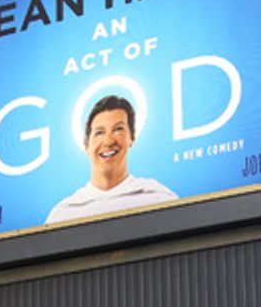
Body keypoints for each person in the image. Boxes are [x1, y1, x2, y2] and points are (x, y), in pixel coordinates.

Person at [46, 95, 176, 224]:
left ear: (132, 137)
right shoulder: (63, 215)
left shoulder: (158, 199)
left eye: (118, 129)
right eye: (99, 133)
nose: (108, 141)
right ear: (86, 146)